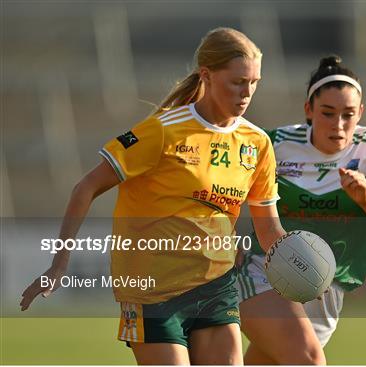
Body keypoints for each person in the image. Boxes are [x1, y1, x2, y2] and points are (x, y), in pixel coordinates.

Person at [20, 27, 287, 365]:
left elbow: (269, 229)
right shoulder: (163, 130)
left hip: (216, 289)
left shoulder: (257, 143)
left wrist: (301, 263)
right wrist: (59, 264)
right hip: (151, 292)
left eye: (254, 82)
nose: (247, 92)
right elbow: (84, 188)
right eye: (237, 82)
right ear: (206, 75)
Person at [237, 55, 366, 365]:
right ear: (308, 109)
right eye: (327, 113)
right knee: (310, 359)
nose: (338, 125)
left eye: (348, 115)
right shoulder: (275, 144)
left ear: (360, 113)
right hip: (263, 273)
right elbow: (222, 193)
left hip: (324, 288)